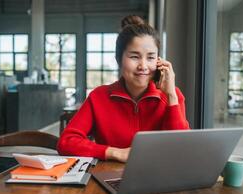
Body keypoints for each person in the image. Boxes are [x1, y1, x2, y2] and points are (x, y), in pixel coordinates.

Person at [57, 15, 190, 162]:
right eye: (134, 57)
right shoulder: (99, 97)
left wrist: (171, 96)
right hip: (108, 178)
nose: (143, 66)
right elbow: (66, 142)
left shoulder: (173, 96)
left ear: (159, 61)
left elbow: (181, 150)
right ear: (118, 59)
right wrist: (115, 153)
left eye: (151, 57)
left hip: (158, 177)